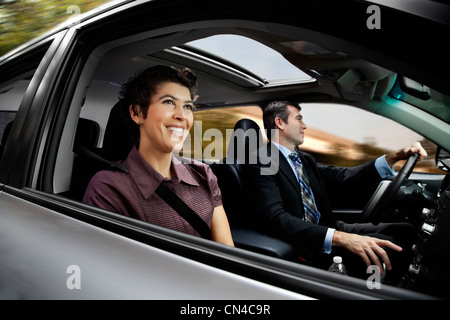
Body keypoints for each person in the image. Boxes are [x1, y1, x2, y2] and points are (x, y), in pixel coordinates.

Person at [242, 100, 427, 281]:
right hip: (308, 243)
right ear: (280, 123)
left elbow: (343, 177)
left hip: (329, 226)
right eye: (299, 119)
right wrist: (343, 239)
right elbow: (276, 218)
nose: (305, 125)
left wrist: (396, 156)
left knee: (406, 230)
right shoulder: (261, 161)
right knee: (392, 248)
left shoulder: (303, 159)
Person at [83, 65, 234, 246]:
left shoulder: (203, 174)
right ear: (137, 113)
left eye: (187, 106)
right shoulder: (109, 187)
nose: (182, 115)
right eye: (169, 102)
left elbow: (226, 253)